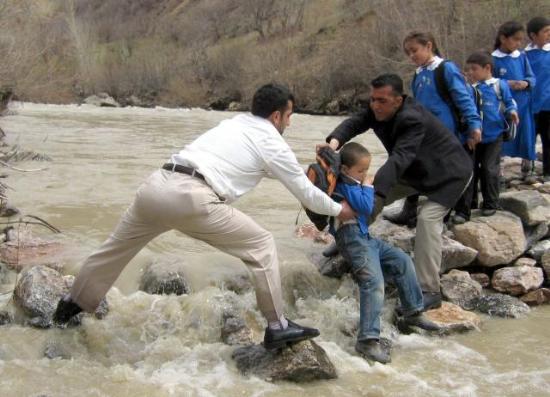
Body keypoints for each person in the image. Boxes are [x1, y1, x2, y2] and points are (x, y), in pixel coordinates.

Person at [53, 83, 355, 350]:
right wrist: (340, 209)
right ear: (277, 116)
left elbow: (285, 174)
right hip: (192, 198)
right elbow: (303, 191)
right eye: (289, 116)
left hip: (157, 185)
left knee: (114, 249)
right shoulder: (272, 141)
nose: (289, 123)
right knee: (261, 243)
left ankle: (70, 306)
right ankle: (278, 326)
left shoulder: (234, 124)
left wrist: (308, 171)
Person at [325, 74, 473, 310]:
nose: (375, 105)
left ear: (398, 100)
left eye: (381, 101)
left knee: (427, 219)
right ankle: (347, 238)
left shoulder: (412, 119)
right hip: (416, 170)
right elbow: (353, 123)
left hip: (449, 174)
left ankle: (429, 290)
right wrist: (333, 143)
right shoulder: (376, 109)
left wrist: (378, 192)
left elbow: (399, 158)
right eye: (372, 99)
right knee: (368, 196)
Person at [331, 142, 440, 364]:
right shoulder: (345, 186)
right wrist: (369, 185)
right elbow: (366, 207)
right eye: (360, 171)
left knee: (401, 260)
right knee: (373, 282)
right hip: (352, 240)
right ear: (344, 170)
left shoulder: (353, 182)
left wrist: (363, 182)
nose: (364, 174)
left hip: (364, 237)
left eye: (366, 171)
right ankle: (367, 339)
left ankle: (413, 312)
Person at [390, 31, 482, 225]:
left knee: (457, 168)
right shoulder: (419, 74)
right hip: (426, 133)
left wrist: (474, 125)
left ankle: (462, 212)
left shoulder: (445, 69)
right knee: (418, 167)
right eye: (408, 53)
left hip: (449, 132)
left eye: (414, 50)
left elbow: (463, 98)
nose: (411, 56)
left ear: (429, 46)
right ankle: (410, 210)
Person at [462, 51, 519, 217]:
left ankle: (491, 202)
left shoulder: (499, 85)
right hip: (474, 137)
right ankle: (470, 202)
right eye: (468, 69)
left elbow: (509, 102)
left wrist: (513, 111)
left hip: (494, 135)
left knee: (489, 168)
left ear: (487, 68)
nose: (470, 72)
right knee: (471, 169)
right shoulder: (469, 89)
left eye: (474, 69)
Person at [492, 21, 537, 183]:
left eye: (520, 40)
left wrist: (526, 83)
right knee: (503, 136)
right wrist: (507, 84)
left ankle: (528, 168)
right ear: (503, 38)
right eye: (515, 39)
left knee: (526, 134)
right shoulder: (493, 59)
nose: (518, 43)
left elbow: (532, 77)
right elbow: (489, 81)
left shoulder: (522, 57)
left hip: (523, 103)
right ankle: (500, 173)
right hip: (503, 106)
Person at [526, 17, 550, 182]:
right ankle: (528, 169)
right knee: (529, 137)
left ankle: (548, 171)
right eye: (546, 31)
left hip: (549, 104)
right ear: (533, 35)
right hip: (530, 105)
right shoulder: (523, 56)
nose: (549, 34)